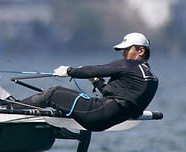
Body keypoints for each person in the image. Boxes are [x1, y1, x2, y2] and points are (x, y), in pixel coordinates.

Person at [16, 32, 158, 131]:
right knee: (63, 98)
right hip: (105, 120)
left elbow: (96, 69)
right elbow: (120, 97)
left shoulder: (128, 65)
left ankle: (10, 109)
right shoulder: (150, 77)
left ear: (140, 50)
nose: (123, 54)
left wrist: (69, 71)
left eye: (127, 49)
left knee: (52, 93)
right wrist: (96, 82)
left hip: (97, 114)